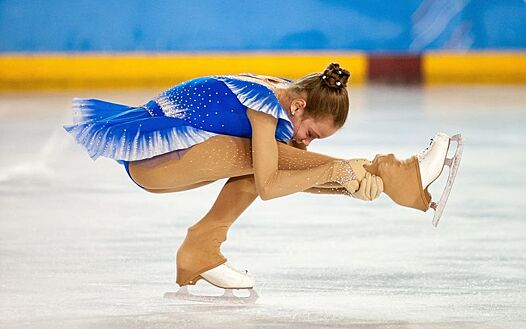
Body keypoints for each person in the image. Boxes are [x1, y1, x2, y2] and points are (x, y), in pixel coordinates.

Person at [63, 63, 462, 297]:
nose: (305, 140)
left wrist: (345, 181)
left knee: (268, 161)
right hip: (155, 156)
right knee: (264, 162)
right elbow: (271, 186)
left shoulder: (283, 97)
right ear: (299, 105)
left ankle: (200, 251)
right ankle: (399, 176)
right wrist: (341, 173)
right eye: (311, 132)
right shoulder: (265, 106)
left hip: (174, 156)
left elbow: (287, 173)